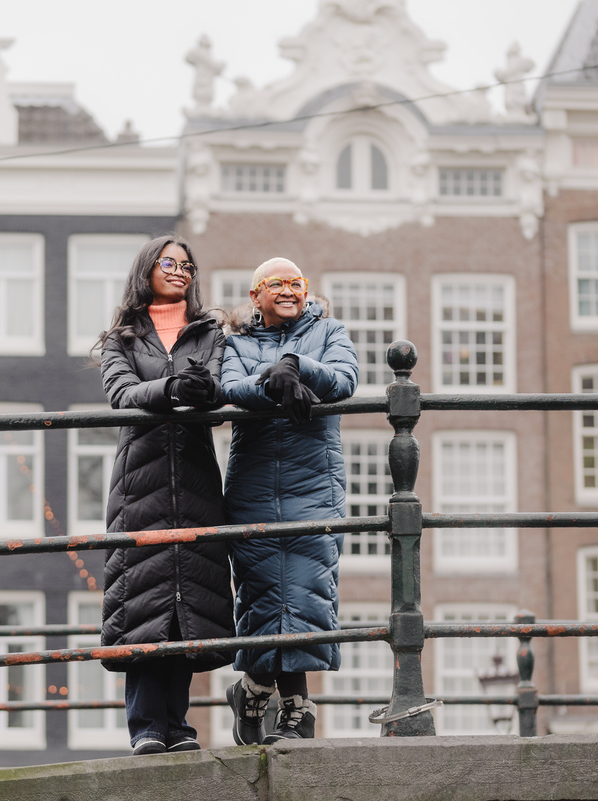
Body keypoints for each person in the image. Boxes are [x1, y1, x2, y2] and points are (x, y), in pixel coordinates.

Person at [96, 235, 234, 755]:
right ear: (147, 269)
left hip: (195, 478)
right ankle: (146, 727)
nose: (179, 270)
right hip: (141, 482)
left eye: (187, 265)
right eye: (168, 262)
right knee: (143, 599)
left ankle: (177, 726)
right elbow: (122, 393)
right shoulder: (122, 338)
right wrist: (173, 389)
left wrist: (204, 391)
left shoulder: (209, 332)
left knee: (186, 600)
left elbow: (218, 386)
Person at [220, 256, 359, 744]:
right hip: (253, 484)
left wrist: (298, 366)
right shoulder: (235, 342)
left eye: (296, 282)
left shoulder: (330, 331)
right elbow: (229, 387)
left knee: (305, 589)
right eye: (275, 283)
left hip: (314, 483)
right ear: (255, 295)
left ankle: (274, 699)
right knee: (260, 592)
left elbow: (345, 378)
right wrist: (272, 382)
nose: (288, 290)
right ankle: (278, 702)